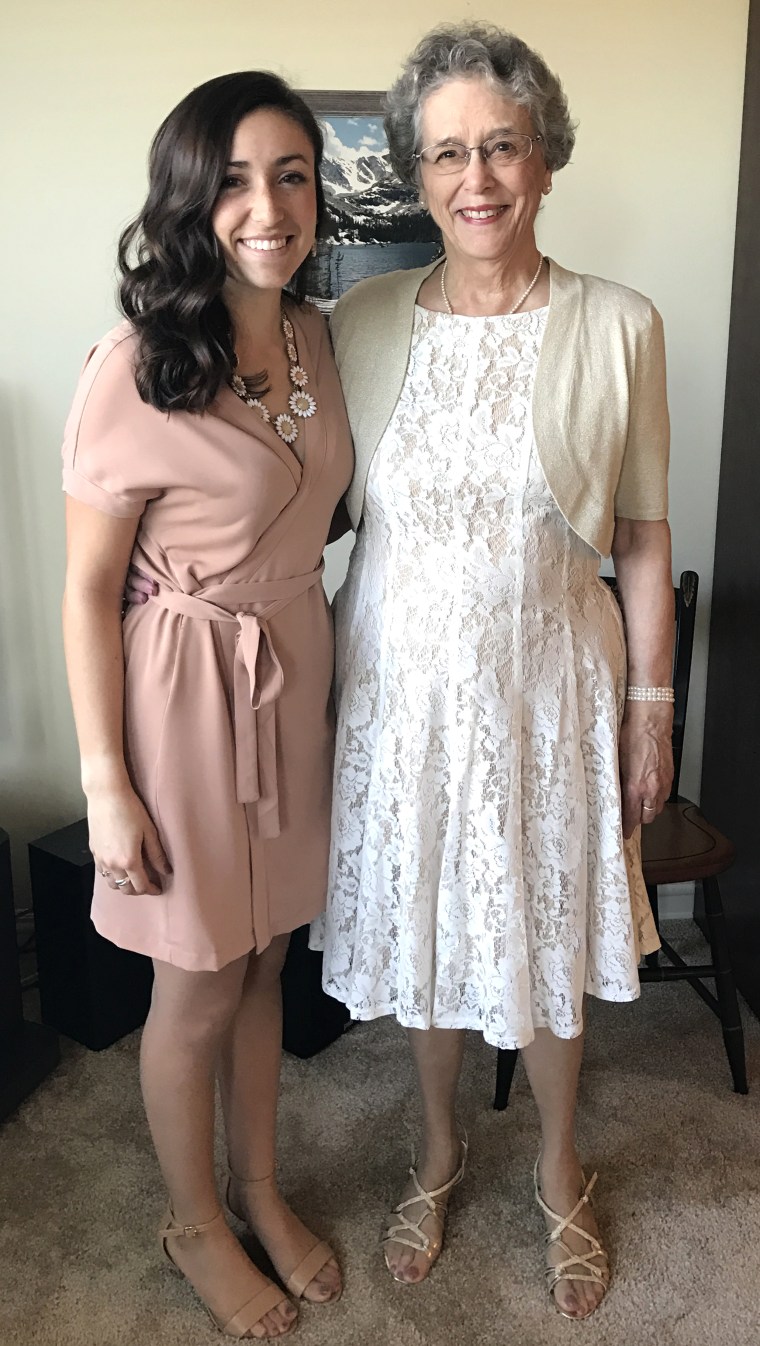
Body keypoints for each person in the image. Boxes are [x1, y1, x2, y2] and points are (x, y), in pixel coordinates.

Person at [312, 23, 674, 1321]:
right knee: (430, 930)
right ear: (419, 173)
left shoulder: (620, 324)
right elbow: (294, 489)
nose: (478, 179)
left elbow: (640, 534)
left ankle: (563, 1169)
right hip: (402, 692)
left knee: (552, 931)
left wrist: (651, 708)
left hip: (550, 691)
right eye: (450, 152)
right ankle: (441, 1146)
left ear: (545, 159)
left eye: (502, 147)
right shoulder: (353, 321)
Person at [62, 72, 353, 1340]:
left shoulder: (325, 337)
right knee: (195, 976)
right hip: (180, 693)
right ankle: (192, 1221)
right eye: (234, 177)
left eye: (291, 173)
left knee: (269, 954)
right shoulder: (133, 365)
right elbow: (81, 592)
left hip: (293, 675)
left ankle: (261, 1187)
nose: (267, 205)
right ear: (190, 196)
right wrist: (105, 782)